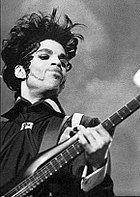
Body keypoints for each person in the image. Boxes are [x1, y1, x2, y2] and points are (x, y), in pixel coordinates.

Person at [0, 9, 115, 197]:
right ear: (20, 71)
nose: (58, 63)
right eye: (45, 56)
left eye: (63, 61)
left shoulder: (80, 127)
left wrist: (97, 165)